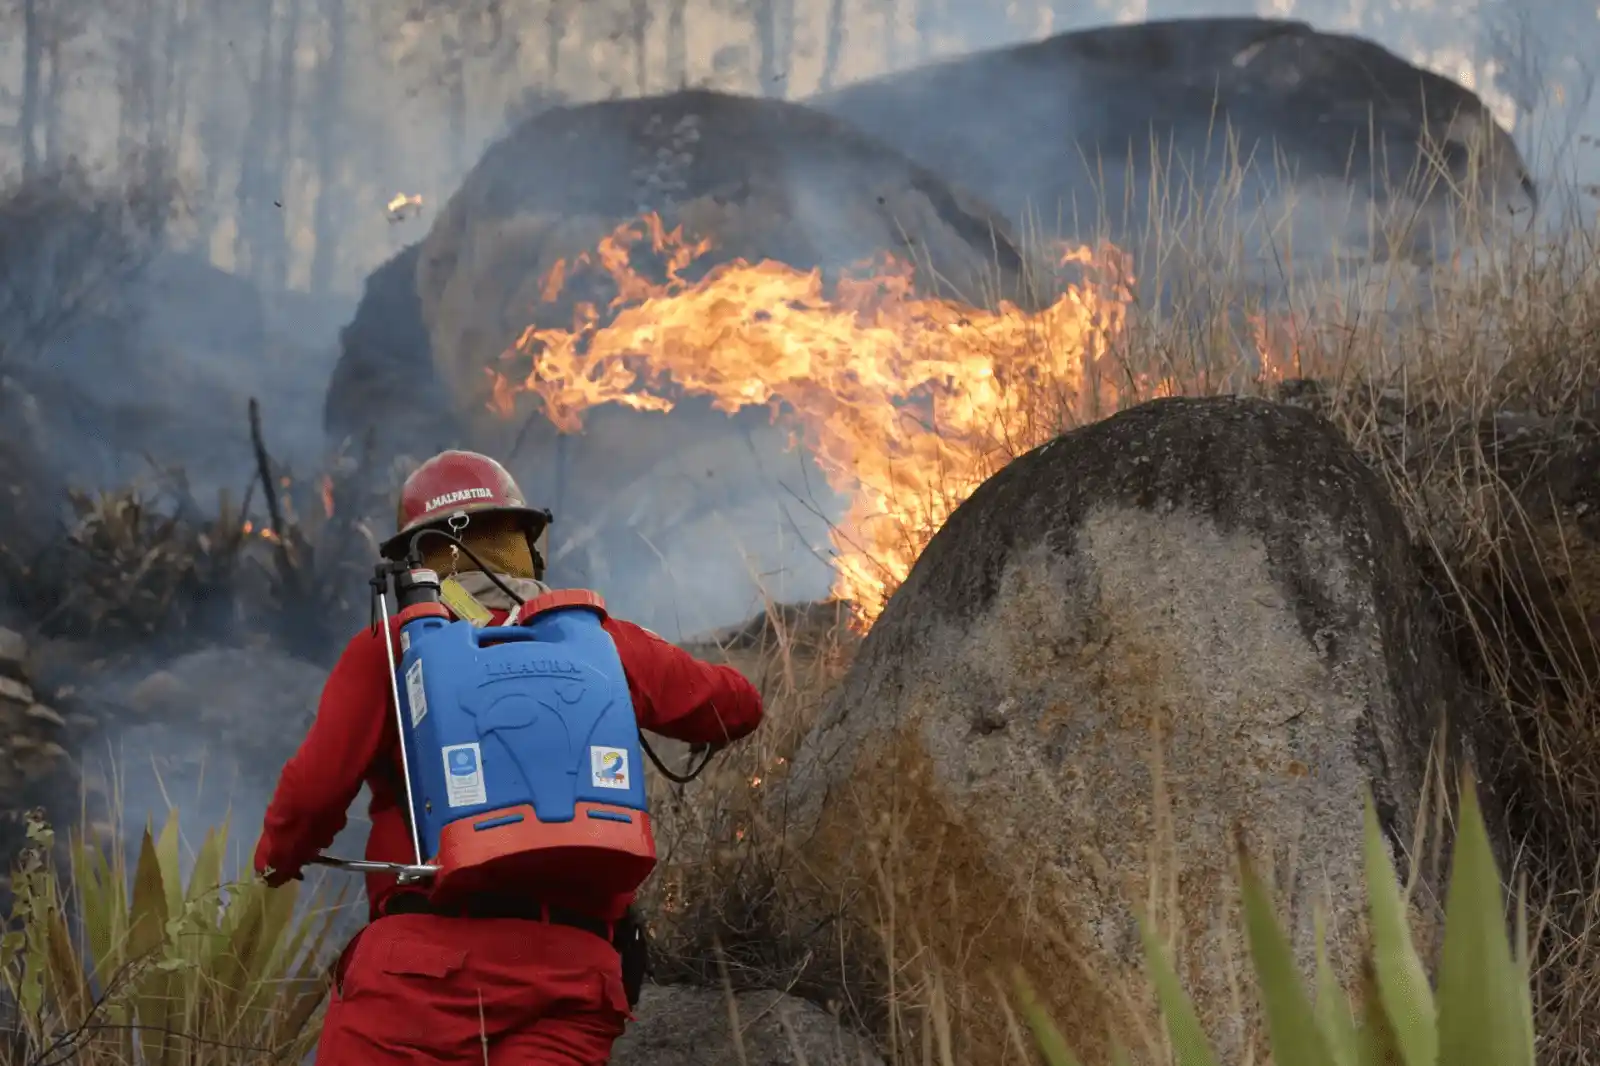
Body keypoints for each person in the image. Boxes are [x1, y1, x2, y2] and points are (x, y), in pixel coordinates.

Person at [253, 449, 764, 1066]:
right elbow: (737, 706)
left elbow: (310, 795)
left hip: (418, 978)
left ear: (415, 560)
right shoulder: (601, 641)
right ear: (524, 543)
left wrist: (276, 863)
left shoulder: (388, 652)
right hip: (571, 981)